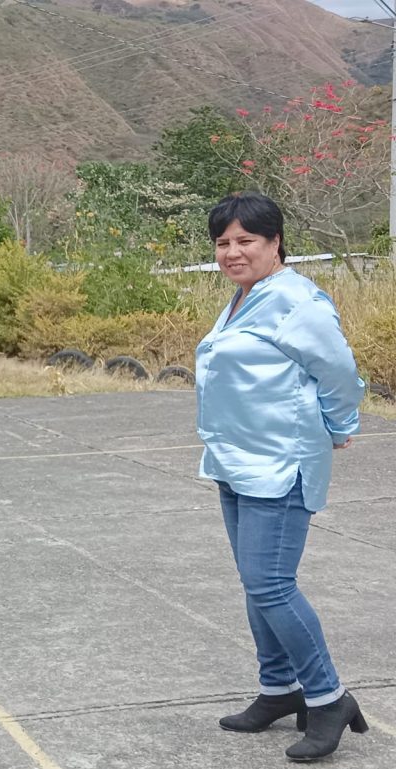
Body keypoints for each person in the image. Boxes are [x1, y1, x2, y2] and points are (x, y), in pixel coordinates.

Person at [195, 192, 367, 761]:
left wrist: (341, 424)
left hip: (280, 462)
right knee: (256, 583)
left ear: (275, 243)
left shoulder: (296, 301)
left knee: (271, 584)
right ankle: (279, 688)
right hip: (237, 459)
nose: (232, 251)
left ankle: (327, 697)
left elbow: (340, 372)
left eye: (246, 240)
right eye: (223, 242)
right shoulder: (245, 296)